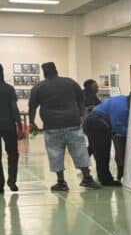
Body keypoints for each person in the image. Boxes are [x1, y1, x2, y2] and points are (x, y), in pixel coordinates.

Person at [29, 62, 100, 192]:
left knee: (55, 154)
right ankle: (87, 178)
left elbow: (32, 107)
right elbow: (81, 100)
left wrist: (32, 123)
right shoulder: (70, 83)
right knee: (80, 151)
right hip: (72, 123)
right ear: (56, 70)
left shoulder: (39, 87)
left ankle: (61, 183)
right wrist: (80, 115)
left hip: (52, 126)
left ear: (44, 72)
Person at [0, 64, 22, 194]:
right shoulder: (8, 89)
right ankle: (12, 181)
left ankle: (0, 184)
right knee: (13, 153)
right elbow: (14, 107)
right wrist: (19, 125)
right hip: (8, 125)